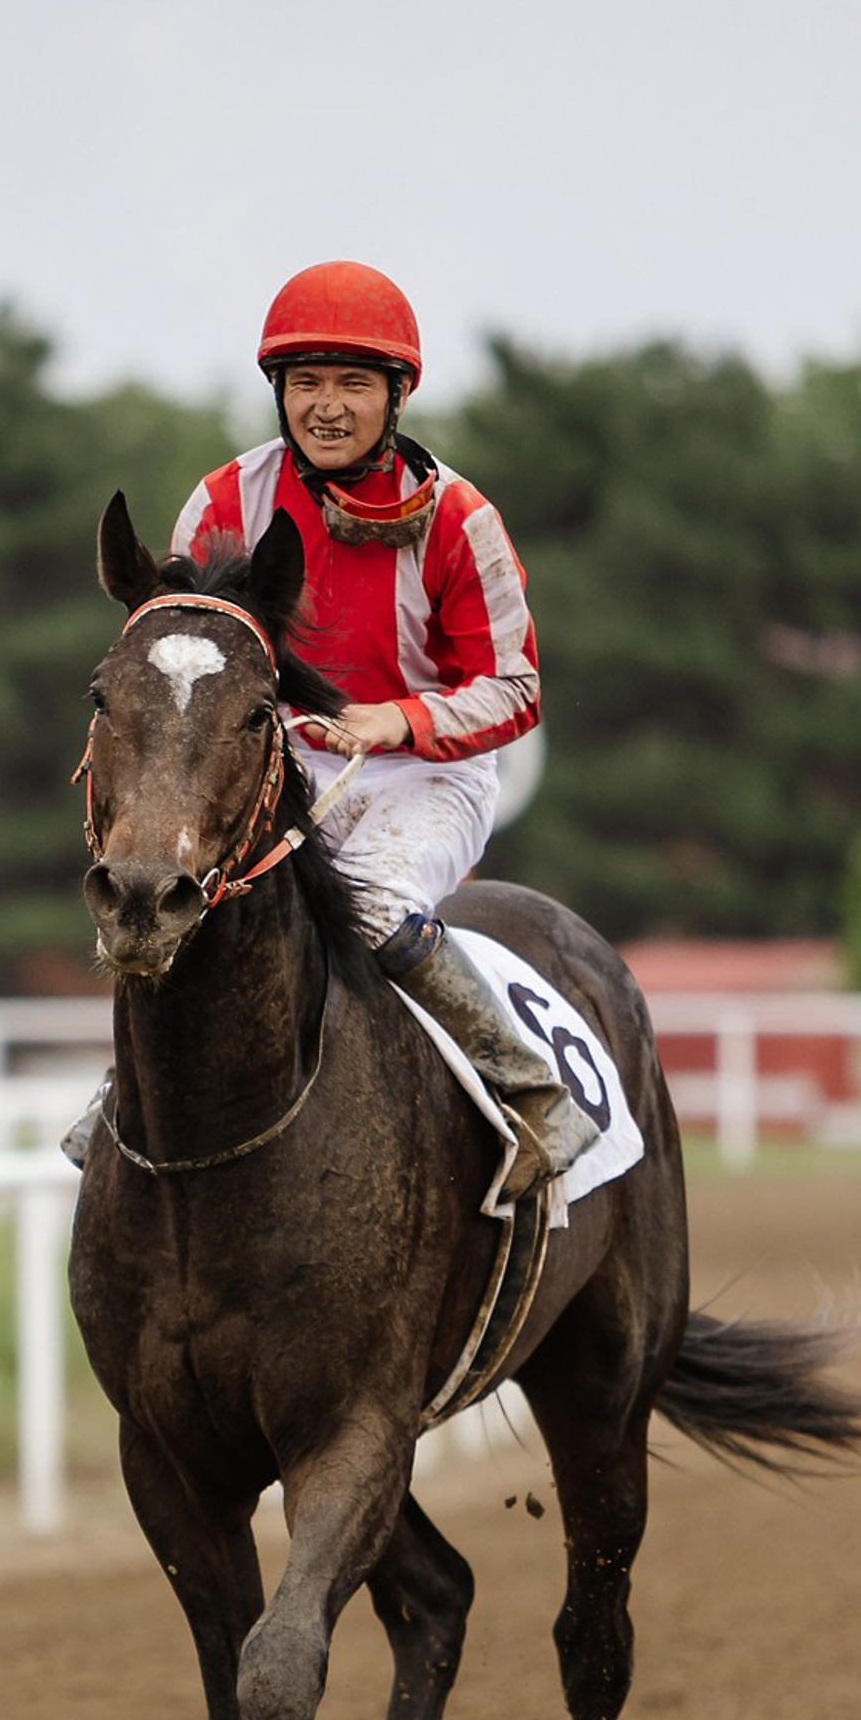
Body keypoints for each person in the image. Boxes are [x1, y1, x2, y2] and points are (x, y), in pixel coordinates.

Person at [166, 259, 598, 1199]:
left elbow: (516, 688)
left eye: (354, 384)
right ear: (278, 392)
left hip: (427, 773)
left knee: (367, 905)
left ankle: (534, 1095)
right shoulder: (220, 505)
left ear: (396, 395)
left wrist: (396, 720)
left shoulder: (460, 519)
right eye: (306, 382)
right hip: (280, 765)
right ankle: (130, 1099)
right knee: (181, 901)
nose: (327, 407)